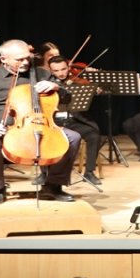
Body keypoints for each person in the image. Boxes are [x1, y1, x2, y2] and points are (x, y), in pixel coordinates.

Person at [0, 39, 83, 205]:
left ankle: (53, 186)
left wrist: (56, 87)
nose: (25, 62)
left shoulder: (43, 74)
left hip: (42, 124)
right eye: (19, 59)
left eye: (27, 58)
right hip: (2, 127)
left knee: (73, 138)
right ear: (3, 59)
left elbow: (67, 98)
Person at [47, 57, 102, 185]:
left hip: (75, 121)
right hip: (54, 122)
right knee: (44, 138)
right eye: (56, 70)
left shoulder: (78, 82)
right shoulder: (46, 83)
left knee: (93, 135)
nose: (61, 73)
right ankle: (44, 173)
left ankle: (89, 172)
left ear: (68, 67)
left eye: (64, 69)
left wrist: (94, 90)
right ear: (50, 70)